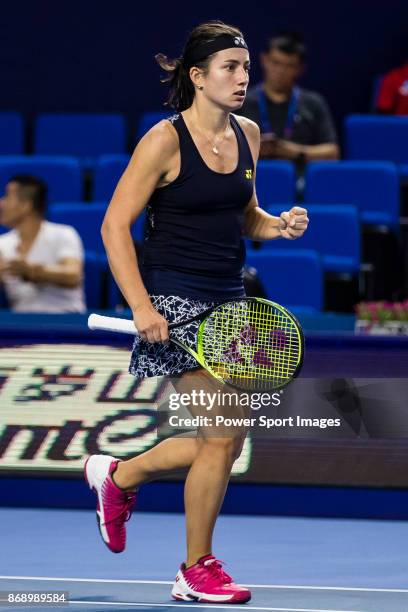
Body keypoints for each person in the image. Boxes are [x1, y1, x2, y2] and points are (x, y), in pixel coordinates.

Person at [84, 21, 308, 604]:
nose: (241, 78)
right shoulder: (163, 140)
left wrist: (277, 226)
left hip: (229, 302)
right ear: (197, 76)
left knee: (225, 442)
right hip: (173, 299)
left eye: (244, 68)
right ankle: (195, 569)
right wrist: (141, 306)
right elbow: (113, 226)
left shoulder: (249, 133)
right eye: (229, 68)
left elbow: (245, 215)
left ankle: (120, 476)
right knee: (222, 436)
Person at [236, 33, 339, 165]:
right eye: (276, 63)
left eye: (289, 66)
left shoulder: (314, 103)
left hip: (300, 179)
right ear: (264, 60)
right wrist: (251, 147)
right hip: (251, 177)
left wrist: (294, 152)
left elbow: (332, 153)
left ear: (300, 69)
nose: (280, 71)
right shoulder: (240, 101)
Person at [0, 175, 85, 313]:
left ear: (25, 205)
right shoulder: (2, 244)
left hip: (66, 320)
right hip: (21, 326)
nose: (1, 203)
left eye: (7, 196)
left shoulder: (64, 234)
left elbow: (73, 275)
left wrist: (33, 272)